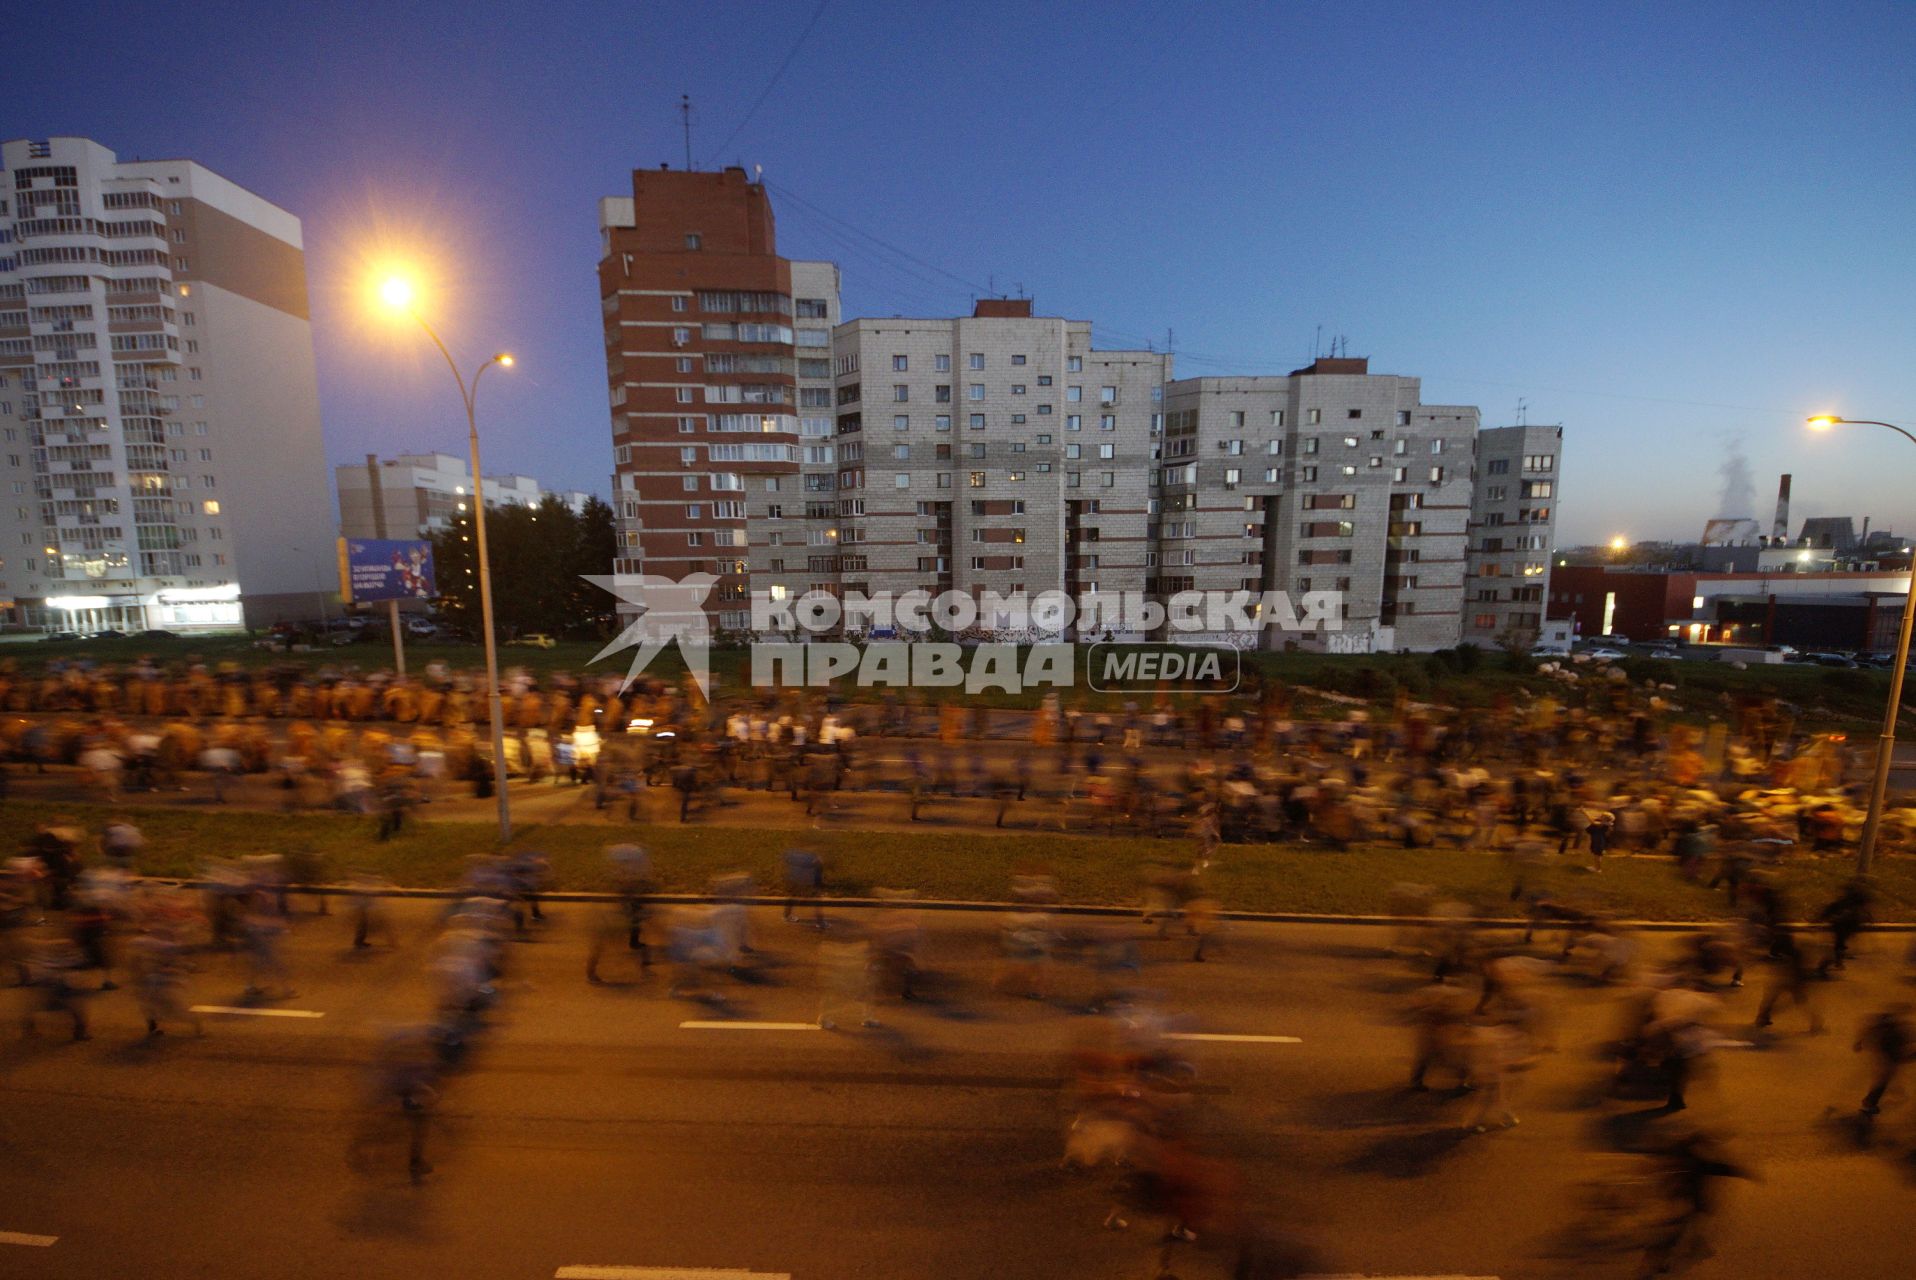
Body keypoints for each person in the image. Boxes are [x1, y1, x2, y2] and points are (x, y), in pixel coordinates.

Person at [1855, 1002, 1914, 1118]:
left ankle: (1870, 1102)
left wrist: (1860, 1042)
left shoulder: (1893, 1026)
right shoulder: (1894, 1027)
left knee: (1883, 1080)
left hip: (1888, 1057)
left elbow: (1871, 1029)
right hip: (1888, 1058)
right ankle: (1869, 1103)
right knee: (1882, 1081)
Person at [781, 846, 825, 926]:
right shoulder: (814, 857)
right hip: (808, 879)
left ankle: (786, 915)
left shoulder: (796, 853)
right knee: (817, 899)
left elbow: (787, 858)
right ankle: (820, 922)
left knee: (793, 895)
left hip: (795, 877)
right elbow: (818, 869)